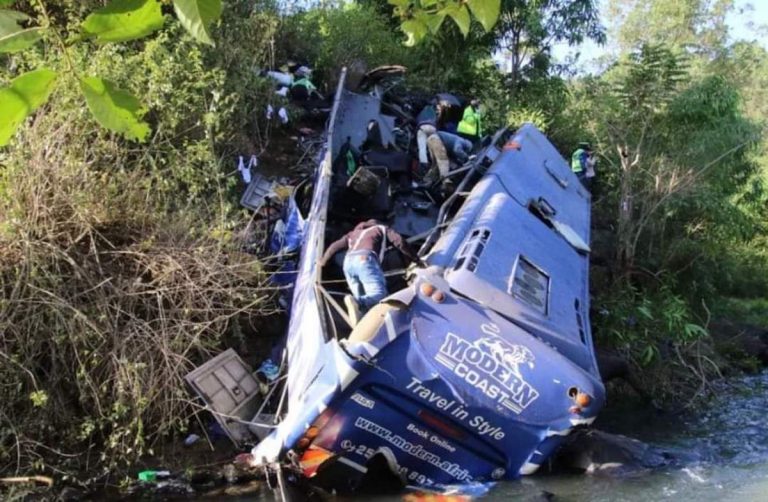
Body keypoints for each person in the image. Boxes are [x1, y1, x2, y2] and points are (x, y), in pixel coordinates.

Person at [320, 220, 418, 326]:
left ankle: (362, 322)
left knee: (361, 305)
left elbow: (334, 246)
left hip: (348, 264)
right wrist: (416, 260)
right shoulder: (381, 228)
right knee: (379, 295)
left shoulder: (353, 234)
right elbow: (399, 241)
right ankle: (358, 302)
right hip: (365, 259)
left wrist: (322, 261)